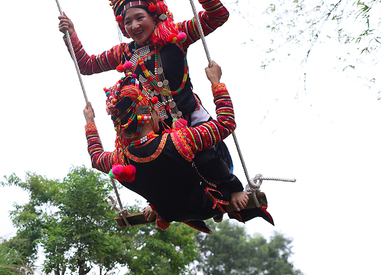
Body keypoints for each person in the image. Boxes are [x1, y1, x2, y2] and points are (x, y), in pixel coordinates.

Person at [83, 62, 273, 233]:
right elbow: (226, 123)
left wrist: (90, 122)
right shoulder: (180, 140)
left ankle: (155, 205)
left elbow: (95, 157)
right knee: (205, 153)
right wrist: (216, 82)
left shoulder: (119, 160)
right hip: (208, 205)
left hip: (170, 213)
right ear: (149, 114)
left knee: (135, 174)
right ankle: (232, 189)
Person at [60, 0, 228, 129]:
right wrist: (72, 34)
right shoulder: (123, 53)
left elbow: (218, 16)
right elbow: (87, 65)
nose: (134, 26)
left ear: (154, 15)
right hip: (158, 138)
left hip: (196, 124)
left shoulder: (174, 34)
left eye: (140, 18)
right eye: (127, 22)